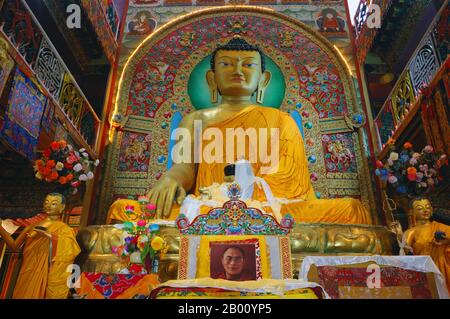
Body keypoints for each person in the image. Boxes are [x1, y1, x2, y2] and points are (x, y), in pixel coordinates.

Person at [108, 36, 371, 225]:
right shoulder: (194, 119)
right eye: (226, 64)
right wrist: (172, 179)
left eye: (248, 64)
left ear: (263, 79)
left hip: (271, 206)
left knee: (350, 209)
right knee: (124, 211)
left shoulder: (281, 119)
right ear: (211, 78)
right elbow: (185, 167)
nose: (237, 70)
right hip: (209, 207)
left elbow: (290, 179)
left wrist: (248, 195)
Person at [0, 193, 81, 299]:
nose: (49, 205)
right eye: (46, 202)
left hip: (46, 273)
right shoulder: (32, 226)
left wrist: (49, 236)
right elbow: (14, 246)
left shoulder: (64, 229)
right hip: (27, 270)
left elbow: (70, 251)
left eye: (54, 203)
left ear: (62, 207)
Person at [399, 197, 450, 293]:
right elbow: (406, 254)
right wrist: (399, 236)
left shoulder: (443, 228)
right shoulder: (411, 232)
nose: (425, 210)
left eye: (427, 207)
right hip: (424, 271)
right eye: (419, 208)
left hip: (443, 269)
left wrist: (447, 241)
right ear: (412, 212)